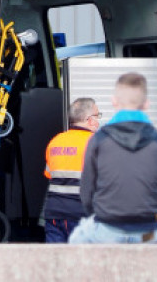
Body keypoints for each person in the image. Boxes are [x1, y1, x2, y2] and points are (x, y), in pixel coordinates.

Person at [69, 73, 157, 244]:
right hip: (147, 230)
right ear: (147, 104)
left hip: (107, 227)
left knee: (75, 238)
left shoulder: (99, 140)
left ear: (114, 102)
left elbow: (87, 191)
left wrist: (100, 216)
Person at [42, 97, 100, 243]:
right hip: (83, 215)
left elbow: (50, 174)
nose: (99, 120)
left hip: (54, 214)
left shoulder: (56, 141)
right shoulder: (98, 142)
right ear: (89, 120)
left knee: (57, 261)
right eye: (98, 116)